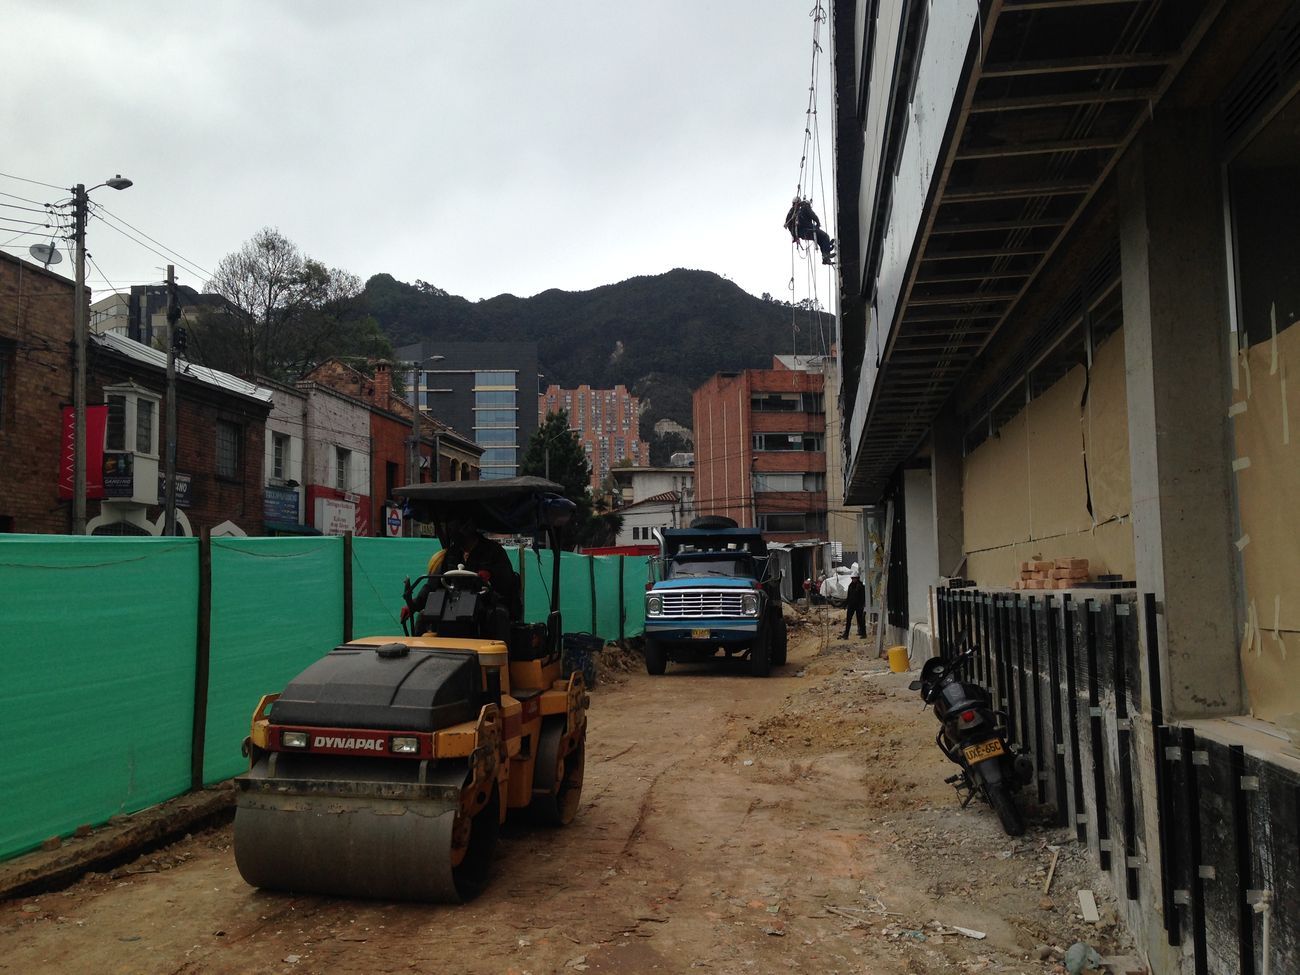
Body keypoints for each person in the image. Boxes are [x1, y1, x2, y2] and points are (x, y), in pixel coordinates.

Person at [434, 515, 522, 620]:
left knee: (499, 614)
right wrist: (413, 605)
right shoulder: (451, 554)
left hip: (486, 603)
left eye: (454, 529)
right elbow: (435, 583)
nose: (452, 534)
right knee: (427, 614)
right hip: (455, 602)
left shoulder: (494, 551)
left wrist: (491, 574)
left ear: (469, 528)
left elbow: (507, 580)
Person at [783, 196, 835, 265]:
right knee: (825, 236)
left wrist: (795, 236)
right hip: (808, 230)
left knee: (820, 239)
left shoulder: (792, 212)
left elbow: (789, 226)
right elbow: (813, 215)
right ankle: (826, 252)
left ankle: (826, 255)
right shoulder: (804, 207)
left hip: (803, 234)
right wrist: (818, 223)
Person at [841, 570, 866, 640]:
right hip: (851, 605)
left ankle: (863, 634)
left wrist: (862, 605)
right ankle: (846, 634)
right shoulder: (850, 586)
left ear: (857, 578)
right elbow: (848, 596)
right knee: (848, 620)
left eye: (855, 578)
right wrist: (845, 604)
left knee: (860, 620)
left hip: (858, 606)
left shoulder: (861, 586)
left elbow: (863, 597)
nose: (854, 579)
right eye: (853, 578)